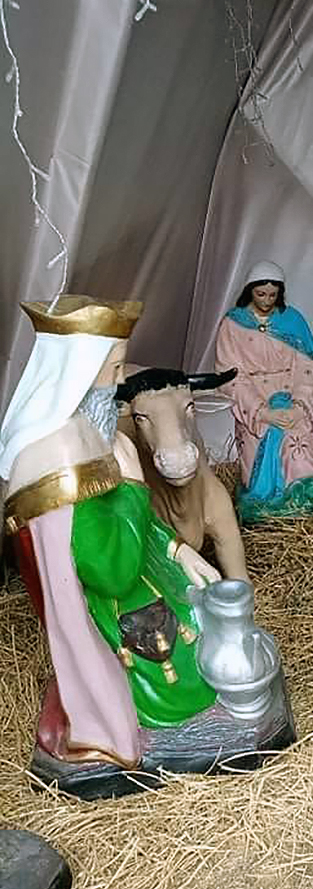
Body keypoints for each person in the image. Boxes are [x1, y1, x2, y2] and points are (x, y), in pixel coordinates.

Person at [0, 295, 220, 769]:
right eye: (114, 367)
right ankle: (141, 723)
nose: (120, 382)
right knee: (194, 632)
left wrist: (180, 549)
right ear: (79, 371)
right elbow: (110, 571)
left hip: (139, 561)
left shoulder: (96, 432)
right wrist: (137, 487)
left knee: (209, 595)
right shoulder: (56, 455)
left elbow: (135, 530)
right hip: (107, 600)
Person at [215, 261, 313, 522]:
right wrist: (263, 411)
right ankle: (265, 505)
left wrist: (299, 406)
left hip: (292, 400)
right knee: (266, 436)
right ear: (249, 291)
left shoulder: (292, 320)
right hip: (255, 406)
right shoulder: (232, 325)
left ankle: (306, 505)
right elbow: (231, 375)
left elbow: (307, 368)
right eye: (260, 294)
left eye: (272, 295)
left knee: (298, 440)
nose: (266, 301)